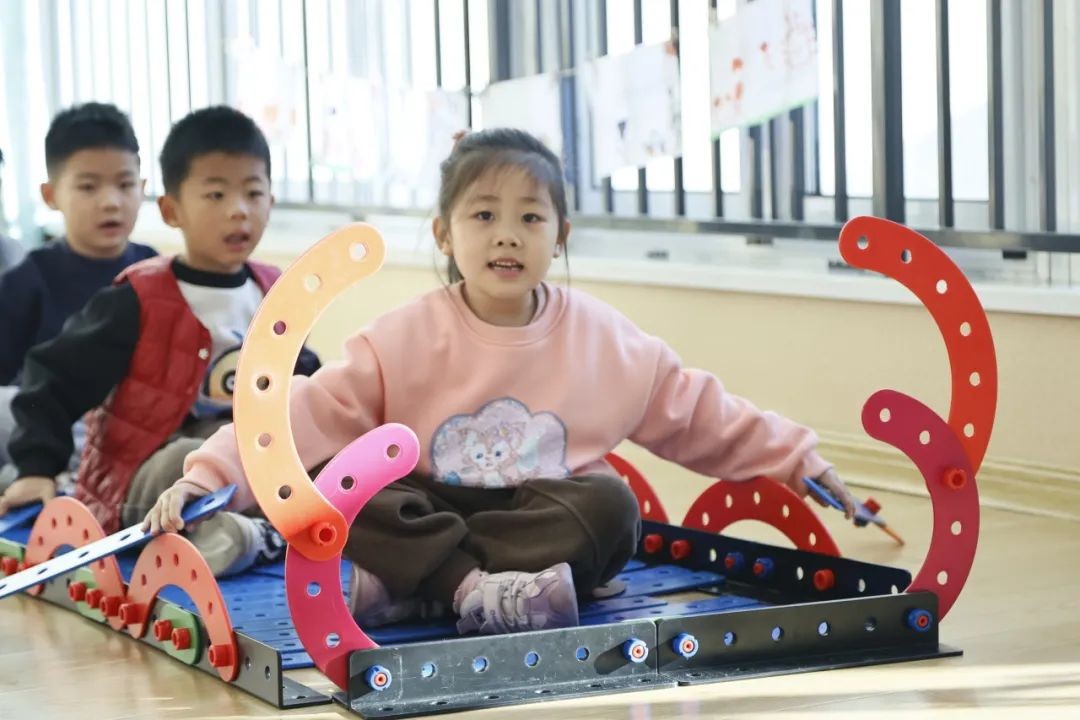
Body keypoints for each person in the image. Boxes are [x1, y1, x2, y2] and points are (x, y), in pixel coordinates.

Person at [143, 128, 857, 631]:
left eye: (530, 217)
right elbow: (303, 415)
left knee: (612, 506)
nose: (507, 234)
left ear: (559, 236)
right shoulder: (403, 334)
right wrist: (210, 477)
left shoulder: (604, 337)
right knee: (345, 487)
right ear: (445, 234)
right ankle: (468, 589)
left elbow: (696, 410)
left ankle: (425, 585)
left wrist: (795, 458)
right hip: (425, 504)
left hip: (530, 514)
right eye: (484, 215)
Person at [1, 106, 320, 577]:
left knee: (317, 451)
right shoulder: (141, 296)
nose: (239, 209)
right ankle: (238, 534)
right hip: (153, 466)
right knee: (188, 456)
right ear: (172, 210)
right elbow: (54, 379)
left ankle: (252, 532)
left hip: (243, 455)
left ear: (270, 202)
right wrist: (35, 467)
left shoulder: (275, 291)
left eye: (253, 193)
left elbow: (305, 383)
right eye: (216, 194)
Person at [0, 104, 156, 472]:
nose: (110, 202)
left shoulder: (154, 270)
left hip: (139, 430)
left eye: (125, 184)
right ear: (51, 195)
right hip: (55, 431)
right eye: (88, 187)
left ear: (142, 188)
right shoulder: (27, 280)